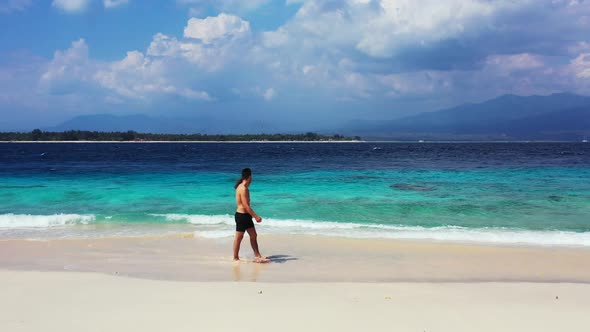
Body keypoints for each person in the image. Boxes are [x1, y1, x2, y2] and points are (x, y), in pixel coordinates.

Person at [233, 168, 270, 263]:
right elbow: (245, 205)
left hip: (245, 216)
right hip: (242, 216)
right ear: (249, 177)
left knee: (253, 235)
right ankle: (235, 258)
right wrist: (256, 216)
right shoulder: (243, 189)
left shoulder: (241, 186)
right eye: (251, 176)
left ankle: (257, 255)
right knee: (239, 238)